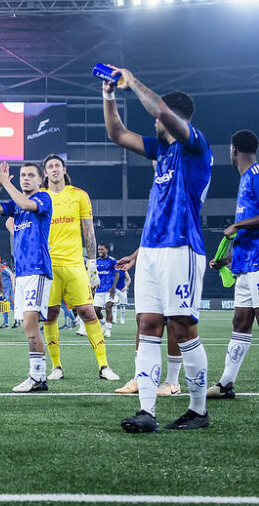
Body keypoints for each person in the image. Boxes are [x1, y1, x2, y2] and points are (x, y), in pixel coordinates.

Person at [103, 66, 212, 432]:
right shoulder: (161, 152)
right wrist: (109, 95)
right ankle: (146, 412)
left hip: (182, 247)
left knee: (181, 327)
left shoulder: (194, 145)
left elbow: (161, 113)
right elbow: (116, 133)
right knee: (148, 324)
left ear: (174, 116)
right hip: (151, 250)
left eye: (159, 118)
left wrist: (131, 81)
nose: (153, 125)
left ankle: (198, 410)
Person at [39, 154, 119, 381]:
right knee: (50, 315)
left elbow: (89, 231)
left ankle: (104, 366)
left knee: (88, 312)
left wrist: (91, 264)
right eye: (50, 167)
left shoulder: (79, 196)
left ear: (64, 169)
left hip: (75, 265)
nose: (54, 169)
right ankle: (56, 367)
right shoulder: (40, 197)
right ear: (45, 173)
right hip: (49, 267)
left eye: (57, 165)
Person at [0, 162, 52, 392]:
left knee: (29, 322)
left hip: (37, 269)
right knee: (27, 325)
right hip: (23, 272)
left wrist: (7, 182)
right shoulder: (16, 204)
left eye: (30, 175)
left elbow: (25, 202)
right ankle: (38, 378)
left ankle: (37, 377)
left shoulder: (44, 198)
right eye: (22, 175)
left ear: (39, 179)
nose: (25, 179)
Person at [207, 130, 259, 400]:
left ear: (233, 150)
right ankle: (226, 384)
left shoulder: (256, 175)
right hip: (244, 265)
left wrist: (237, 224)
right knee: (240, 321)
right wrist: (227, 260)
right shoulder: (244, 181)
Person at [93, 243, 119, 338]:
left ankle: (108, 330)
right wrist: (93, 286)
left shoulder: (112, 261)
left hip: (109, 290)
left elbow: (117, 275)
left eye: (102, 249)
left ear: (106, 250)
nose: (100, 251)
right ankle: (103, 323)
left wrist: (113, 288)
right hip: (99, 290)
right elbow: (93, 274)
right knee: (95, 311)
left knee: (108, 308)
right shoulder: (96, 261)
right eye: (99, 249)